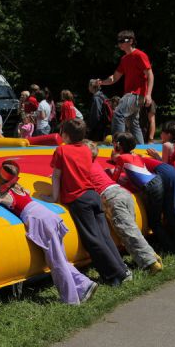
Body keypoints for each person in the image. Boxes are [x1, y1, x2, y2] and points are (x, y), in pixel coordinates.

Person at [0, 160, 98, 304]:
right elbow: (27, 193)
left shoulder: (2, 195)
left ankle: (71, 299)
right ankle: (84, 284)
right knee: (60, 257)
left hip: (40, 220)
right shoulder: (20, 188)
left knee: (56, 261)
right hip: (49, 215)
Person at [41, 119, 130, 286]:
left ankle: (114, 274)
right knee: (105, 236)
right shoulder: (86, 150)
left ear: (65, 135)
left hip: (79, 199)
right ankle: (122, 269)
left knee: (93, 240)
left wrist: (53, 197)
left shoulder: (61, 150)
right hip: (93, 195)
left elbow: (56, 176)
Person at [82, 140, 162, 273]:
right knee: (132, 229)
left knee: (128, 231)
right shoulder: (94, 163)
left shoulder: (83, 166)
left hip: (111, 197)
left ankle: (150, 262)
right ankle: (149, 255)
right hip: (123, 193)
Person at [111, 132, 175, 253]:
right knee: (157, 217)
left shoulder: (121, 158)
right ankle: (169, 244)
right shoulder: (135, 156)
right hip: (157, 181)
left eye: (115, 144)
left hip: (151, 186)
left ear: (119, 145)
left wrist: (109, 173)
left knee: (154, 222)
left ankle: (170, 249)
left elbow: (115, 177)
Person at [98, 30, 154, 145]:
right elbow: (115, 77)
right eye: (118, 41)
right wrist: (102, 82)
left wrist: (148, 94)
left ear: (131, 41)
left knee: (118, 114)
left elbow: (150, 74)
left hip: (135, 94)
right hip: (132, 95)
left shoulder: (139, 55)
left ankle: (119, 145)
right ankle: (141, 148)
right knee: (133, 123)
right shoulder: (124, 59)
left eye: (122, 41)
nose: (120, 44)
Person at [141, 157, 175, 252]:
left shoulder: (133, 160)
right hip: (172, 172)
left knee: (172, 211)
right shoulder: (142, 158)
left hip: (166, 175)